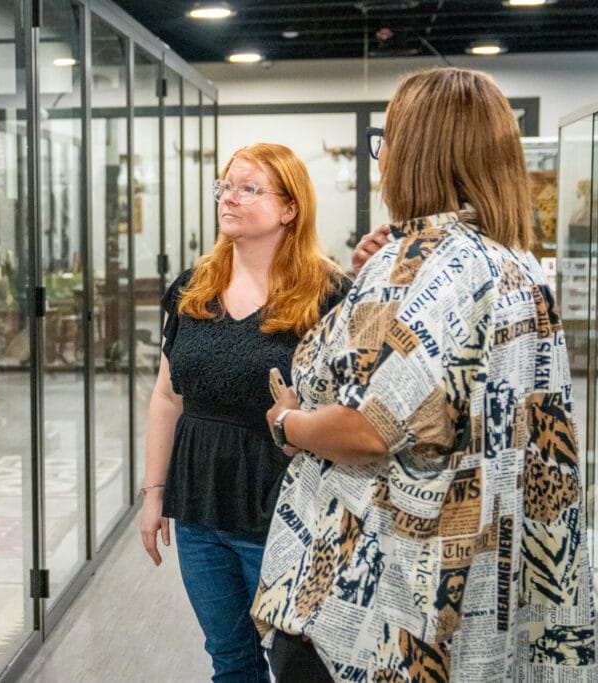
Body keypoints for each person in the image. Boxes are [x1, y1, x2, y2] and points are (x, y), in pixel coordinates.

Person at [254, 67, 597, 681]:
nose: (382, 157)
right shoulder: (516, 266)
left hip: (380, 603)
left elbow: (367, 429)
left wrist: (287, 424)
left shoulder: (414, 262)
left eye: (386, 141)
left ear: (414, 154)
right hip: (474, 595)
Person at [140, 142, 348, 682]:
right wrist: (154, 492)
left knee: (300, 664)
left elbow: (348, 412)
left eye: (248, 189)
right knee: (230, 658)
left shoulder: (328, 295)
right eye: (224, 186)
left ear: (289, 208)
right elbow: (167, 396)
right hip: (199, 506)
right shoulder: (192, 288)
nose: (228, 198)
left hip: (283, 508)